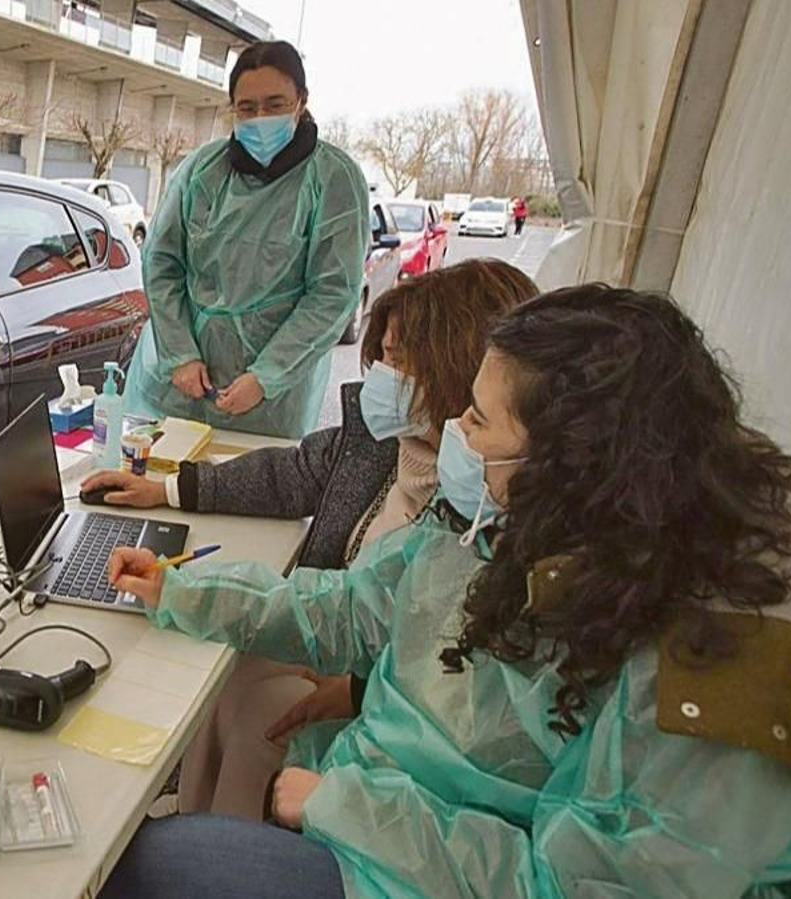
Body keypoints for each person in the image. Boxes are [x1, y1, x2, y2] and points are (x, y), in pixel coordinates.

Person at [102, 284, 791, 898]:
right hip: (381, 824)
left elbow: (577, 885)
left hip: (411, 865)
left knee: (153, 867)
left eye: (479, 418)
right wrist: (183, 589)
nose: (456, 435)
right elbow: (351, 609)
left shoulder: (717, 664)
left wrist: (344, 805)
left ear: (571, 455)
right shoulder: (518, 522)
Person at [81, 259, 537, 819]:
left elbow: (444, 680)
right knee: (222, 679)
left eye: (397, 360)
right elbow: (297, 488)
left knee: (254, 717)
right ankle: (199, 823)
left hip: (380, 714)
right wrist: (171, 498)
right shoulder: (395, 449)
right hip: (351, 657)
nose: (380, 378)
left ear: (456, 370)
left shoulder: (480, 512)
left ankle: (219, 846)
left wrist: (358, 690)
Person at [126, 40, 369, 438]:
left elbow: (332, 293)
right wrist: (180, 354)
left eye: (275, 104)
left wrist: (267, 375)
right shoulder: (201, 172)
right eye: (247, 107)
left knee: (249, 490)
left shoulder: (332, 179)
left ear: (301, 101)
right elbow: (162, 263)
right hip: (178, 387)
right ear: (233, 108)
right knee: (154, 486)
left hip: (268, 405)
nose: (260, 118)